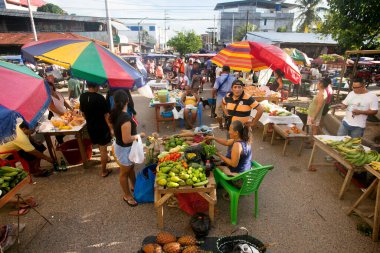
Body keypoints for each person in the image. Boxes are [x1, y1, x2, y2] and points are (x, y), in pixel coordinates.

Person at [109, 90, 145, 207]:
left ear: (114, 102)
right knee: (124, 172)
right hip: (125, 148)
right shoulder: (125, 118)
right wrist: (139, 136)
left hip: (123, 147)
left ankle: (134, 186)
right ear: (128, 101)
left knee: (130, 168)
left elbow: (114, 131)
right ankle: (127, 195)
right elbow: (126, 139)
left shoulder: (116, 112)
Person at [80, 82, 112, 177]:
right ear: (96, 86)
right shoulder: (100, 98)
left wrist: (89, 120)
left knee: (99, 144)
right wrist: (111, 128)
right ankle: (103, 171)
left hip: (90, 126)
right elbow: (106, 115)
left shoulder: (83, 96)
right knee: (103, 149)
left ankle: (106, 158)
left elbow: (83, 113)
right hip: (102, 127)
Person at [305, 77, 330, 149]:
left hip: (314, 114)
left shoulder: (322, 93)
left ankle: (313, 144)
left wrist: (314, 117)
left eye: (318, 83)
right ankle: (311, 140)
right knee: (313, 129)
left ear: (321, 84)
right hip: (312, 113)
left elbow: (319, 106)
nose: (317, 84)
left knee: (314, 130)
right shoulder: (321, 92)